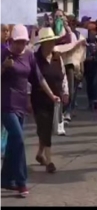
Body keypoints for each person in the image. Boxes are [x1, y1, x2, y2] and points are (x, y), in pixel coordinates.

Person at [1, 24, 60, 197]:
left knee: (14, 142)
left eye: (24, 42)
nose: (20, 46)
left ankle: (5, 179)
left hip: (21, 105)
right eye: (17, 42)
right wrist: (4, 66)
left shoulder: (28, 55)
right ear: (11, 41)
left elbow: (39, 78)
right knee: (18, 138)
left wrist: (52, 96)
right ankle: (21, 182)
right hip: (5, 104)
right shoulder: (3, 54)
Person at [31, 28, 69, 173]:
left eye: (52, 41)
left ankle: (40, 154)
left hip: (56, 100)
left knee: (48, 129)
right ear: (42, 43)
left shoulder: (57, 57)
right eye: (47, 42)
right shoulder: (35, 59)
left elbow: (63, 75)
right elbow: (31, 81)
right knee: (44, 127)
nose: (50, 44)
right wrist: (28, 99)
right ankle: (49, 161)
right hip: (39, 99)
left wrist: (65, 92)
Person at [1, 24, 10, 158]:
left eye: (8, 30)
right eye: (3, 30)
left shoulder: (8, 48)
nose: (6, 33)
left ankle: (3, 147)